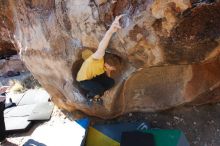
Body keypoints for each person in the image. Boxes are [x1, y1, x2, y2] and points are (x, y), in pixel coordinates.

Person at [76, 15, 124, 104]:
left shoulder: (104, 67)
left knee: (111, 82)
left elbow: (107, 77)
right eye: (111, 66)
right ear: (106, 63)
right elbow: (102, 45)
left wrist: (109, 70)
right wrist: (111, 31)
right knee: (99, 89)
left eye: (112, 67)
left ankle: (96, 94)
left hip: (92, 79)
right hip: (83, 81)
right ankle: (90, 96)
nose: (112, 68)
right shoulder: (97, 58)